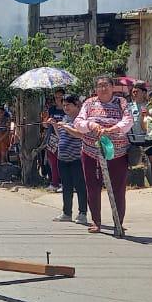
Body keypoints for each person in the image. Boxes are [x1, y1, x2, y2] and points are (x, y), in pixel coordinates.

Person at [75, 75, 134, 234]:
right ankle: (96, 221)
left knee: (118, 189)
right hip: (91, 151)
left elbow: (128, 121)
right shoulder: (89, 103)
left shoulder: (121, 102)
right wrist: (91, 125)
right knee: (92, 187)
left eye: (106, 85)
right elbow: (78, 122)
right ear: (96, 89)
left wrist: (112, 129)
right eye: (100, 85)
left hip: (117, 152)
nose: (103, 88)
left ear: (112, 87)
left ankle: (118, 223)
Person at [50, 95, 88, 224]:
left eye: (68, 105)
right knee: (66, 186)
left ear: (76, 104)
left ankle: (82, 213)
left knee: (80, 186)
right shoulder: (65, 118)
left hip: (77, 158)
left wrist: (66, 126)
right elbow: (61, 135)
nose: (65, 108)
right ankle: (67, 212)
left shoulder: (81, 119)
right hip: (63, 157)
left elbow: (80, 134)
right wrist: (55, 125)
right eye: (64, 105)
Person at [44, 88, 67, 191]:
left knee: (62, 161)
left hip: (64, 137)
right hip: (52, 137)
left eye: (60, 97)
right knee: (52, 161)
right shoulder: (52, 109)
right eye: (56, 97)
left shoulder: (66, 109)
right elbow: (44, 125)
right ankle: (54, 183)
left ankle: (64, 182)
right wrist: (47, 121)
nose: (58, 99)